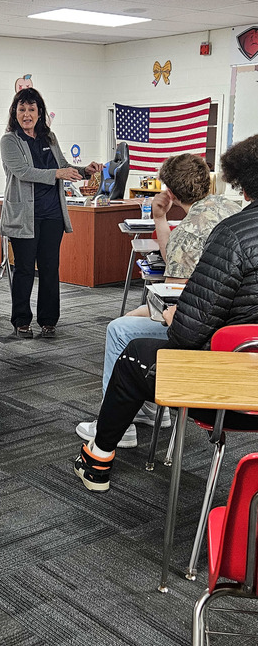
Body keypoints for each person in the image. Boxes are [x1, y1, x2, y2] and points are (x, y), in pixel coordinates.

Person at [73, 133, 258, 492]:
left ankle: (98, 458)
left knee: (133, 354)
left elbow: (187, 332)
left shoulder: (232, 236)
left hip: (231, 380)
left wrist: (174, 317)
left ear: (244, 184)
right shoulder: (230, 220)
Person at [0, 87, 102, 338]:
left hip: (52, 215)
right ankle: (21, 321)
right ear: (15, 112)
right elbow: (23, 171)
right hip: (25, 217)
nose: (26, 114)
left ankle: (48, 321)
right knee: (24, 269)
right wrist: (57, 174)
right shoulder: (9, 141)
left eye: (31, 109)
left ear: (39, 112)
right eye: (22, 109)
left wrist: (86, 171)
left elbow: (64, 167)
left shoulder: (50, 138)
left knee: (49, 268)